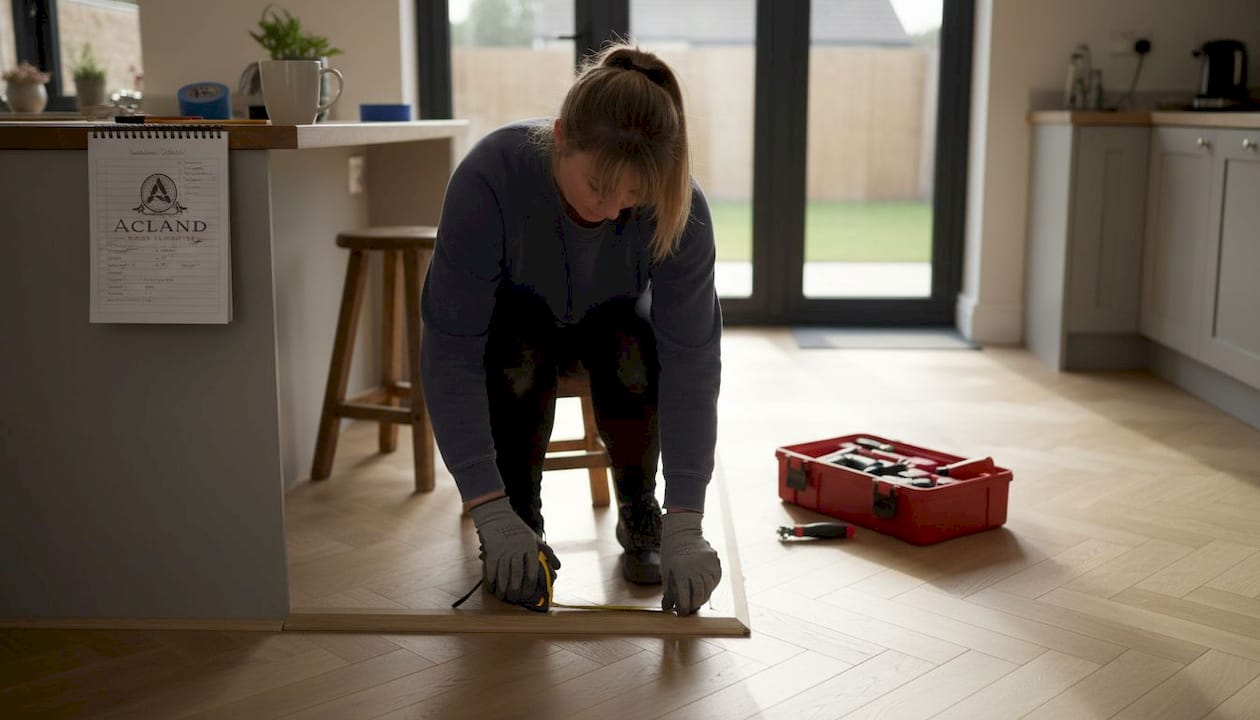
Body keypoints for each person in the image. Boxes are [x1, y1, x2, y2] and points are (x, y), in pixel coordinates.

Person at [420, 42, 722, 616]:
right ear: (560, 137)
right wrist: (487, 507)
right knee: (517, 355)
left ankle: (643, 514)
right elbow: (450, 350)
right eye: (597, 187)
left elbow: (693, 361)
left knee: (634, 353)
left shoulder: (681, 206)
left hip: (611, 329)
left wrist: (688, 517)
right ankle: (517, 523)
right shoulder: (490, 177)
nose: (612, 211)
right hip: (516, 329)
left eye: (632, 195)